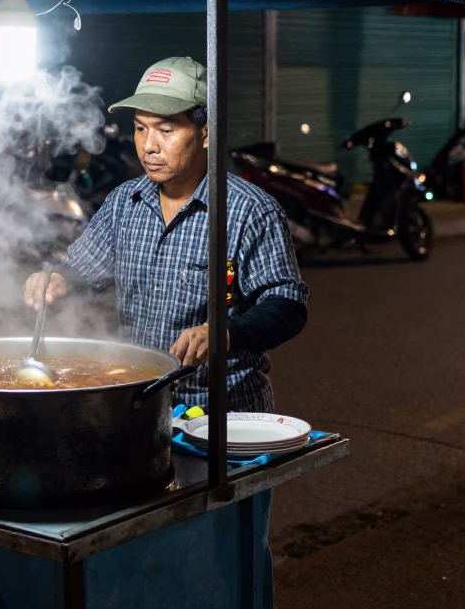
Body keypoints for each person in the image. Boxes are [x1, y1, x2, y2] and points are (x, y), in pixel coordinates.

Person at [22, 56, 309, 607]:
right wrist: (53, 280)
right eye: (140, 129)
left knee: (230, 559)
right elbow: (81, 269)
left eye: (167, 129)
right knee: (151, 561)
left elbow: (288, 305)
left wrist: (224, 331)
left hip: (222, 420)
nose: (149, 145)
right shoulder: (124, 205)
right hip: (139, 416)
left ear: (205, 132)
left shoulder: (248, 211)